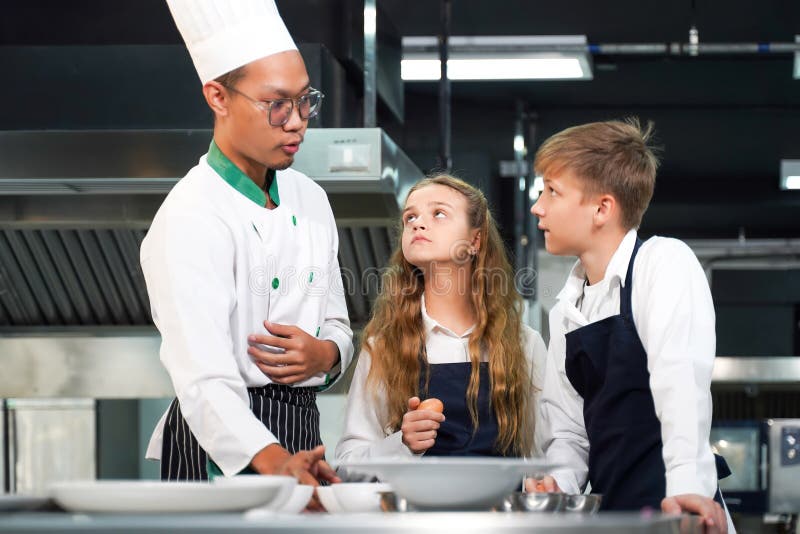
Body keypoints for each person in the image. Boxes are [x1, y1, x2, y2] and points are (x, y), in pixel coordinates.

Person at [141, 0, 354, 490]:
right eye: (278, 104)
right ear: (218, 96)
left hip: (301, 430)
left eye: (306, 100)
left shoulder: (312, 198)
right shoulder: (192, 214)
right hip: (224, 443)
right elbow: (203, 380)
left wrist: (326, 356)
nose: (298, 121)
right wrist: (275, 461)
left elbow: (339, 323)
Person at [526, 119, 733, 532]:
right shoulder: (566, 309)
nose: (538, 206)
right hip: (611, 514)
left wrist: (686, 492)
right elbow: (569, 431)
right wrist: (559, 483)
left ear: (602, 208)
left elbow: (680, 384)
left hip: (676, 506)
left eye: (552, 191)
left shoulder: (663, 264)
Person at [335, 175, 547, 465]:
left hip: (501, 510)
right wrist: (403, 443)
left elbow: (544, 461)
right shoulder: (383, 347)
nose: (418, 223)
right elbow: (348, 464)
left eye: (439, 213)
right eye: (410, 217)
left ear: (475, 240)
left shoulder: (524, 345)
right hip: (412, 510)